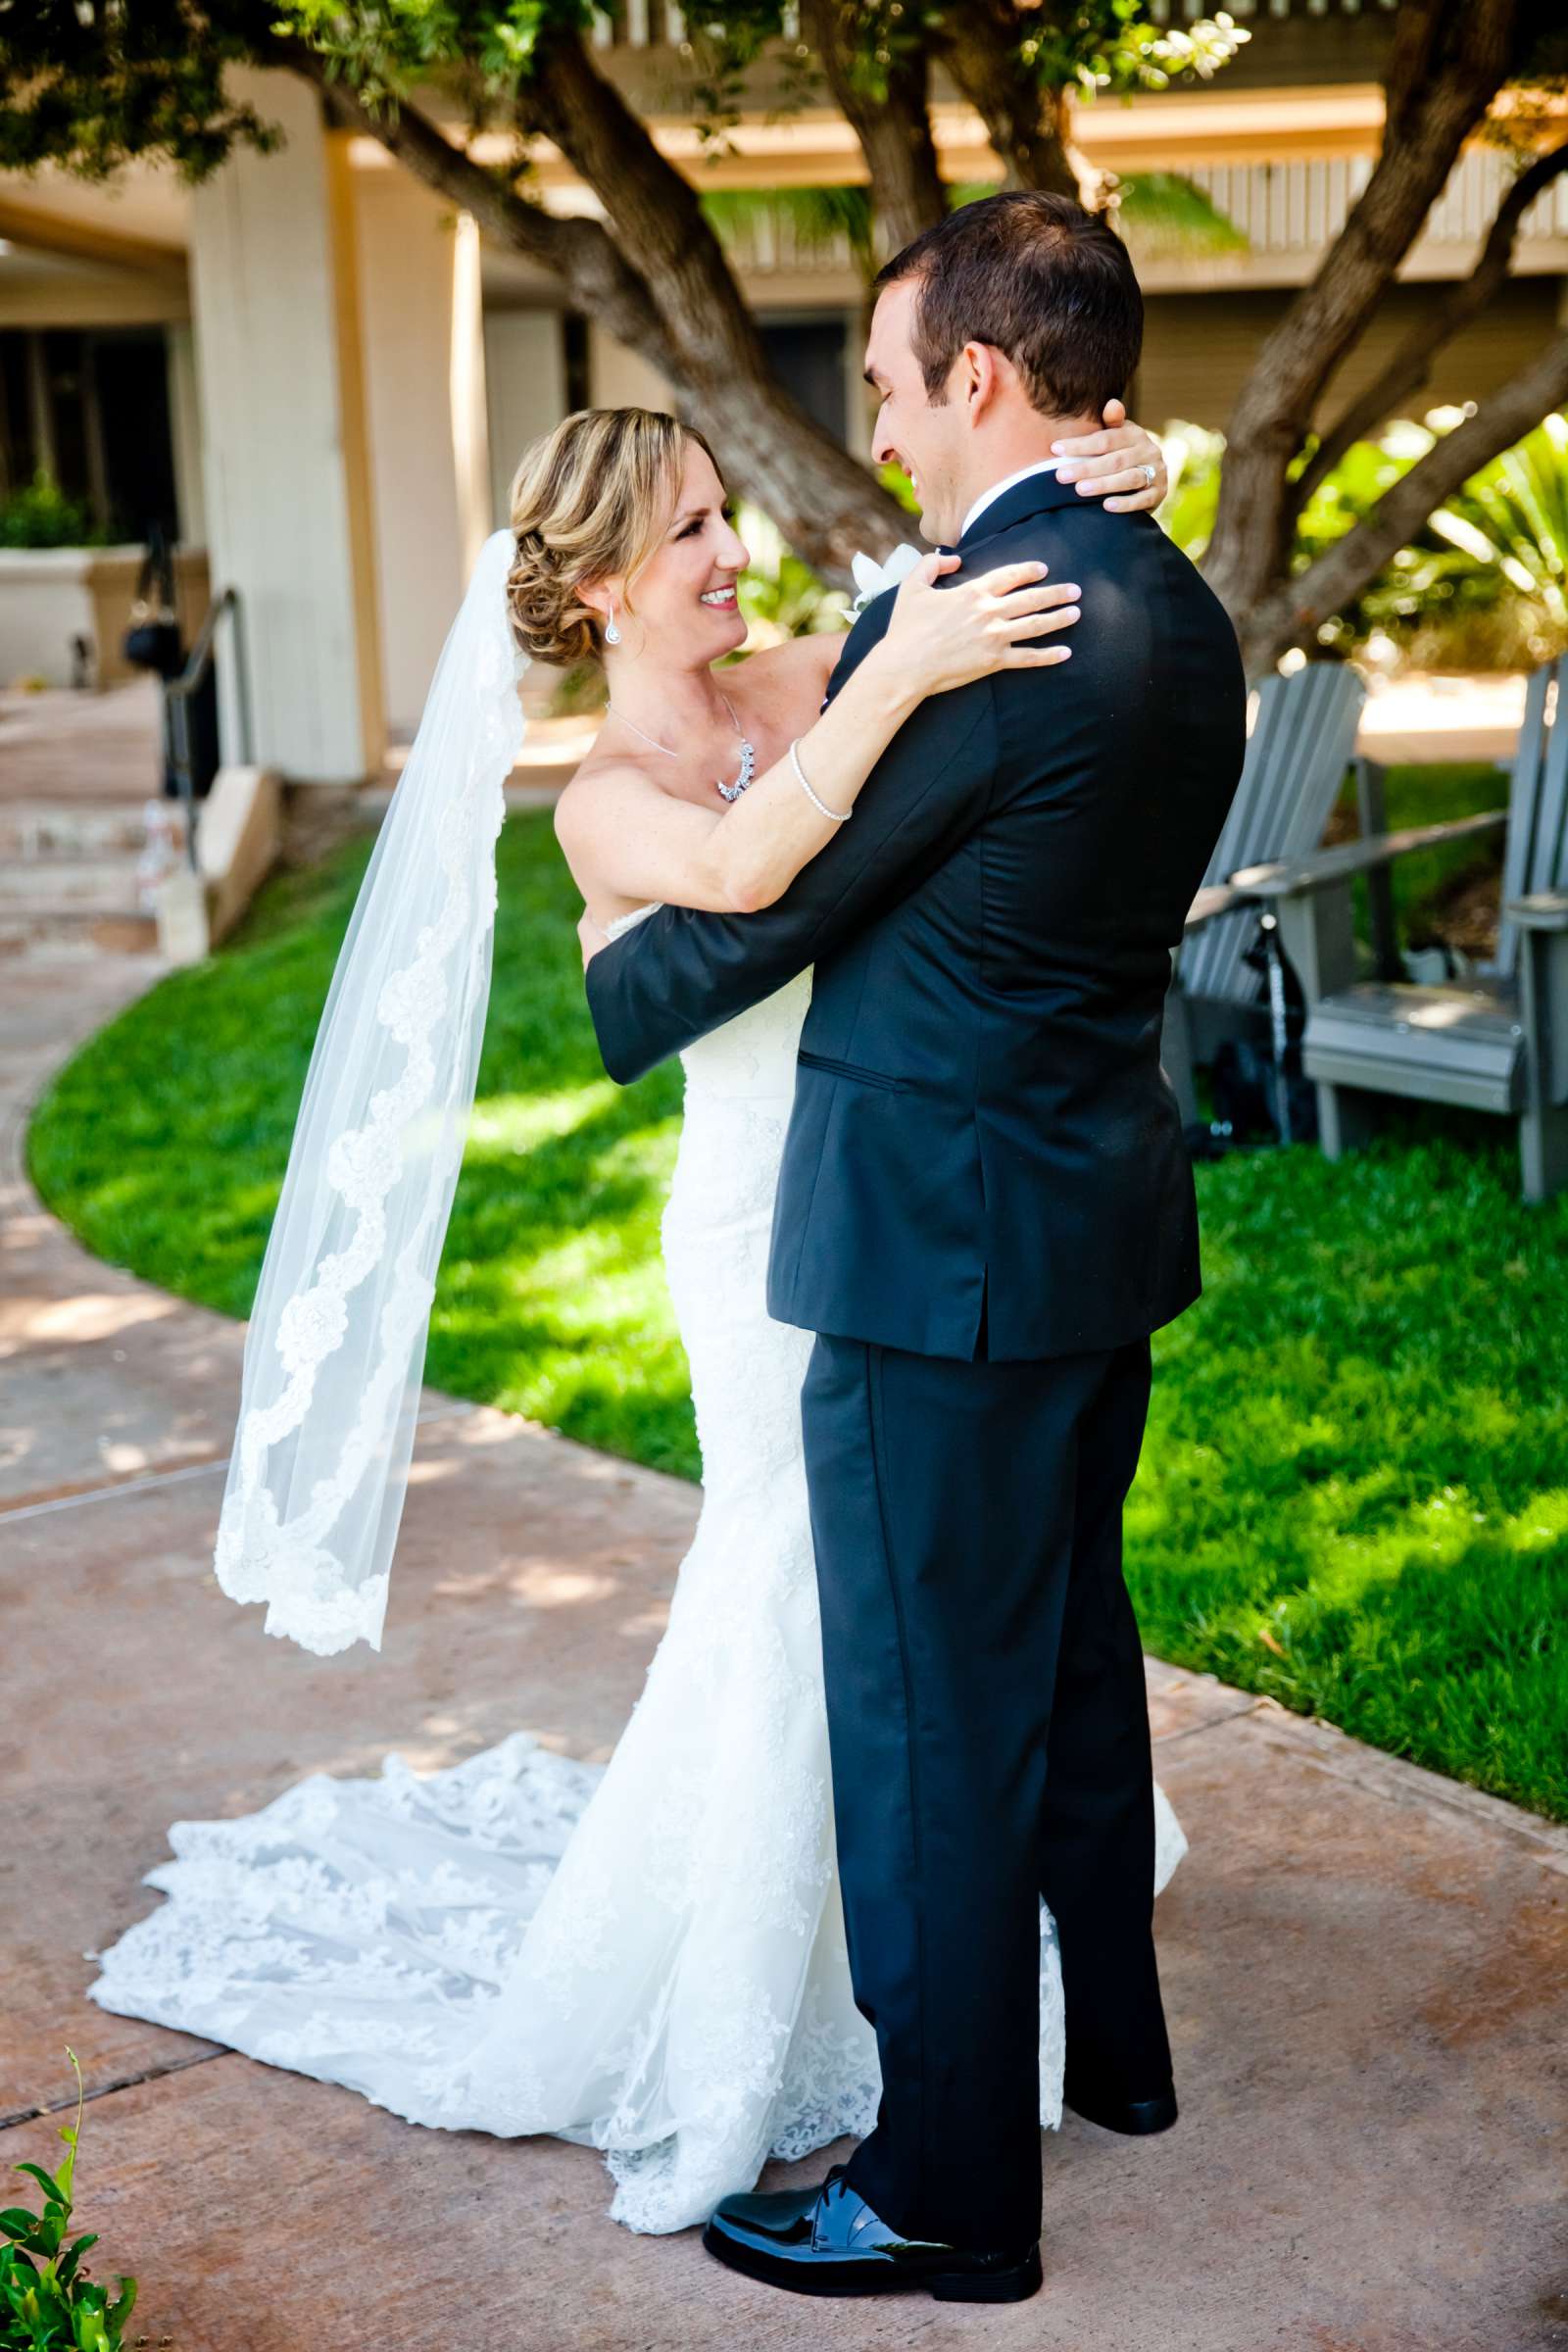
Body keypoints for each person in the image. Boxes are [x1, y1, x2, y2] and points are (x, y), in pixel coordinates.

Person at [87, 368, 1189, 2241]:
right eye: (682, 529)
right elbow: (760, 867)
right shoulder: (607, 802)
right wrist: (900, 676)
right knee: (794, 1581)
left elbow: (990, 593)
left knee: (925, 1607)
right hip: (765, 1217)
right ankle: (767, 2008)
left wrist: (1121, 470)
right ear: (595, 590)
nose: (725, 550)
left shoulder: (812, 669)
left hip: (908, 1175)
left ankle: (917, 1975)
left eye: (717, 511)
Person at [582, 191, 1247, 2303]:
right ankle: (1113, 2061)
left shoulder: (977, 635)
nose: (873, 429)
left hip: (931, 1261)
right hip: (1089, 1221)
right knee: (1063, 1661)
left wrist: (611, 993)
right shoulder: (1161, 595)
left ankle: (946, 2188)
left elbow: (771, 905)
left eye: (884, 384)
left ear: (977, 377)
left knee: (928, 1724)